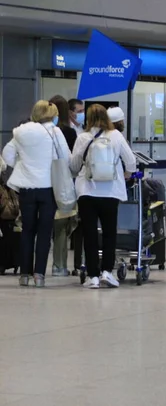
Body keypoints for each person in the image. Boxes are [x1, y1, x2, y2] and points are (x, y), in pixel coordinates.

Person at [2, 100, 71, 287]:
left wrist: (23, 162)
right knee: (44, 232)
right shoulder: (55, 132)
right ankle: (39, 274)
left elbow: (7, 156)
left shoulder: (21, 132)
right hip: (48, 188)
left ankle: (24, 274)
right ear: (52, 115)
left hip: (26, 188)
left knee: (27, 230)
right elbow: (66, 157)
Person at [69, 104, 136, 289]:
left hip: (87, 191)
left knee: (89, 234)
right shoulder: (116, 136)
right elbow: (131, 162)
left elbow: (74, 165)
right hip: (110, 191)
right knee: (109, 233)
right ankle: (107, 272)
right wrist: (126, 175)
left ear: (88, 118)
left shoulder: (83, 137)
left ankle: (93, 276)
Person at [49, 95, 79, 277]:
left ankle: (53, 265)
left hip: (45, 182)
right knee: (63, 223)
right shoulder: (68, 132)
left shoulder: (42, 132)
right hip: (64, 182)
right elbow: (73, 161)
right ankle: (59, 265)